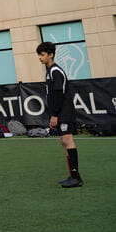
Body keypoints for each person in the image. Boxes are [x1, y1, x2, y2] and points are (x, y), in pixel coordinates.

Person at [37, 41, 83, 188]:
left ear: (51, 55)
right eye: (39, 54)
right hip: (59, 111)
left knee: (68, 140)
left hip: (65, 111)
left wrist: (55, 114)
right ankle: (72, 175)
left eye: (43, 54)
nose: (40, 57)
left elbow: (59, 94)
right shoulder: (49, 71)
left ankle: (76, 177)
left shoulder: (56, 71)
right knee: (63, 141)